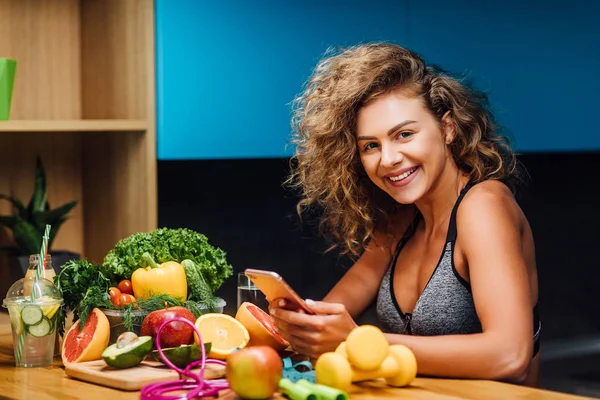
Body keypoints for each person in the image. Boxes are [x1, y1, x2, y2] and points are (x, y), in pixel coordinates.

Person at [270, 42, 541, 386]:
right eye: (371, 145)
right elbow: (331, 314)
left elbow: (509, 355)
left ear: (447, 128)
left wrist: (360, 343)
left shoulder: (484, 205)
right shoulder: (400, 222)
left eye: (404, 135)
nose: (388, 158)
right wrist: (298, 325)